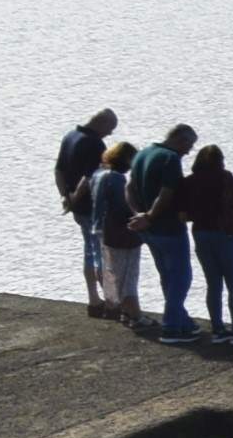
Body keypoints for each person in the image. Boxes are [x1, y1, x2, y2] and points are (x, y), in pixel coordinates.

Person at [177, 141, 233, 347]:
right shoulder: (225, 178)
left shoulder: (189, 182)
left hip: (201, 234)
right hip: (225, 234)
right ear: (220, 161)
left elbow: (184, 213)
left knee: (213, 284)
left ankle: (218, 330)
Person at [127, 123, 201, 344]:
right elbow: (166, 193)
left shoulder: (142, 153)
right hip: (168, 228)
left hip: (148, 231)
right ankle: (171, 327)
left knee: (167, 276)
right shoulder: (170, 159)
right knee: (181, 277)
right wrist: (149, 216)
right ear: (180, 139)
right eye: (189, 145)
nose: (189, 151)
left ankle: (184, 322)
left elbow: (129, 188)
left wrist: (138, 214)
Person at [53, 107, 120, 316]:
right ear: (100, 123)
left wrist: (65, 196)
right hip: (92, 207)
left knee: (90, 252)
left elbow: (59, 170)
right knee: (102, 254)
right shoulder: (94, 143)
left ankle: (94, 298)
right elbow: (89, 178)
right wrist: (73, 199)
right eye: (110, 128)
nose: (110, 134)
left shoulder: (70, 136)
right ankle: (111, 302)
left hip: (78, 208)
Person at [86, 139, 151, 333]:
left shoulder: (98, 174)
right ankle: (135, 315)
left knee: (113, 273)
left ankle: (123, 310)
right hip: (121, 233)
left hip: (102, 230)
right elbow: (123, 207)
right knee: (128, 276)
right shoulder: (117, 179)